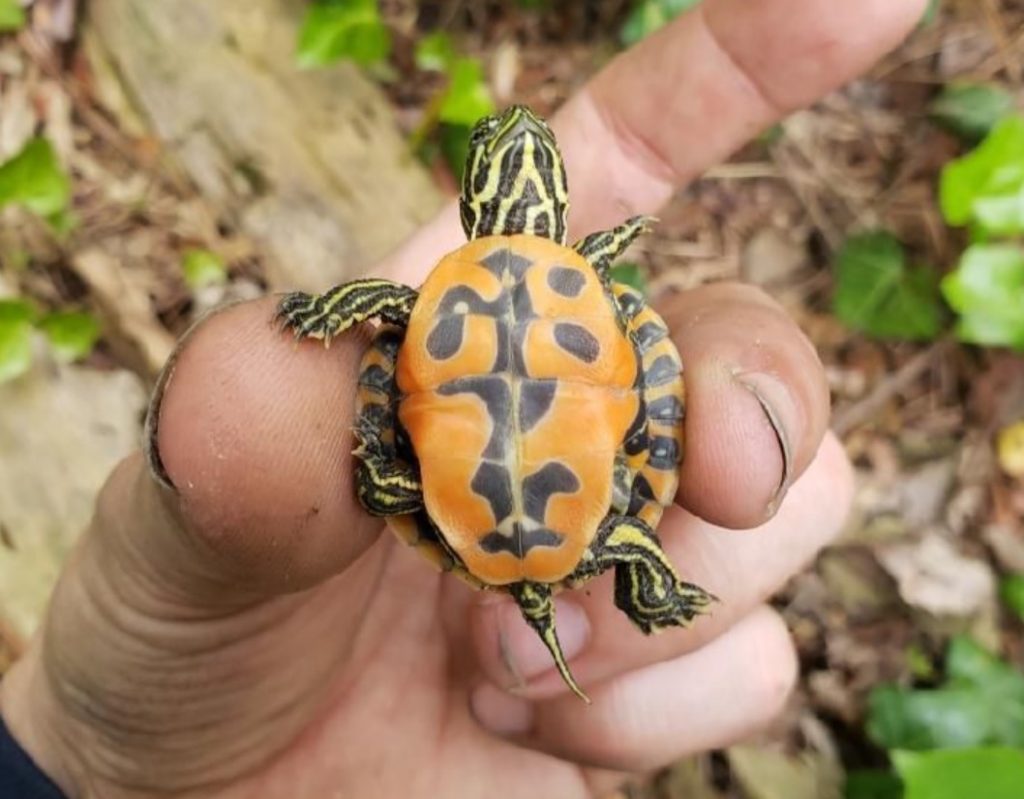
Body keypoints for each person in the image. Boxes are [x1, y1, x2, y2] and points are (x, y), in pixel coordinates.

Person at [0, 0, 925, 796]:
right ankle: (635, 570)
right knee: (619, 521)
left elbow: (394, 332)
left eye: (520, 159)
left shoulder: (457, 302)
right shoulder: (578, 277)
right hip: (553, 497)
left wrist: (335, 319)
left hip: (459, 486)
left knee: (591, 511)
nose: (518, 159)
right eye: (502, 154)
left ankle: (632, 570)